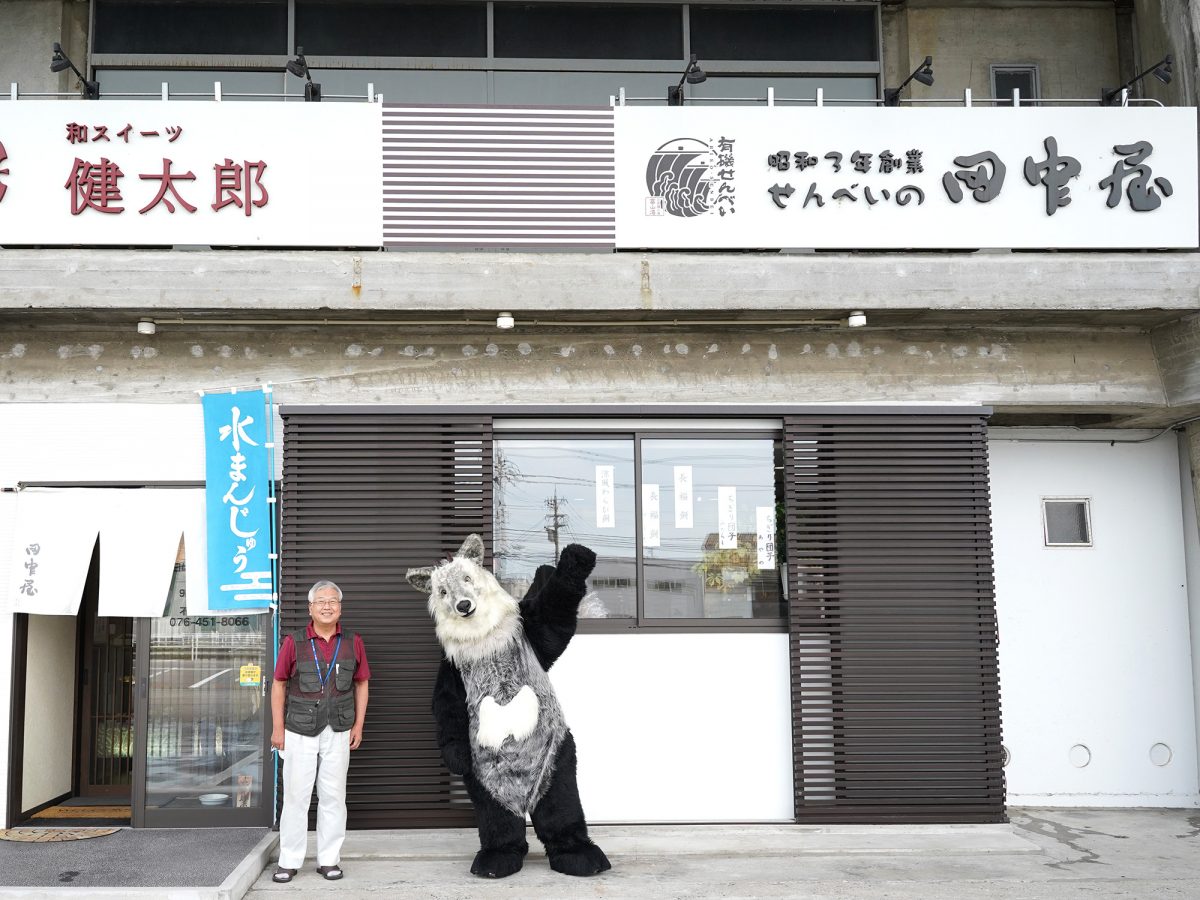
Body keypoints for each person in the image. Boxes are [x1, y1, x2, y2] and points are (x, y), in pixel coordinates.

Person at [270, 580, 370, 883]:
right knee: (296, 798)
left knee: (333, 797)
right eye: (321, 601)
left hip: (338, 729)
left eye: (333, 601)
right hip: (299, 730)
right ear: (310, 608)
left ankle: (329, 859)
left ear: (340, 607)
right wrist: (278, 729)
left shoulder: (353, 642)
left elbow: (362, 682)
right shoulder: (294, 641)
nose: (327, 606)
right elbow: (279, 684)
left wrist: (358, 725)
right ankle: (289, 860)